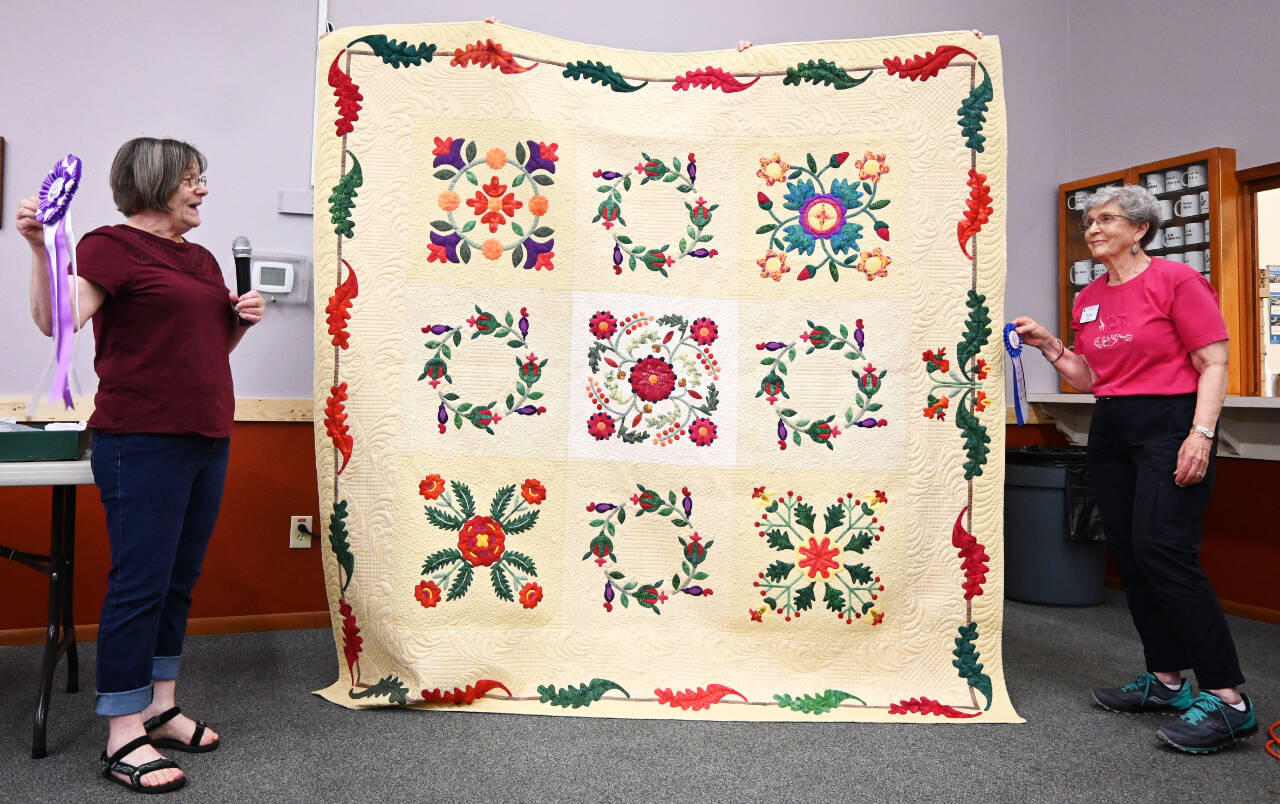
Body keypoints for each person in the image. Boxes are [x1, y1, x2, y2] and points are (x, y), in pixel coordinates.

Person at [16, 137, 265, 792]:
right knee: (140, 581)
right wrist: (42, 250)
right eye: (192, 178)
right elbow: (59, 323)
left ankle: (160, 705)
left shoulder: (204, 260)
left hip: (207, 432)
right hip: (141, 438)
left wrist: (238, 322)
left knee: (179, 578)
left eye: (202, 177)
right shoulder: (108, 246)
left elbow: (206, 348)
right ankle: (122, 736)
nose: (203, 189)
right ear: (156, 183)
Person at [1015, 184, 1258, 754]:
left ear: (1140, 229)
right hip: (1113, 426)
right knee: (1129, 551)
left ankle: (1229, 700)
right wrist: (1049, 344)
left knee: (1165, 551)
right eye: (1089, 222)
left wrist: (1200, 434)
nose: (1092, 229)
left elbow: (1213, 361)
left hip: (1171, 421)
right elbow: (1090, 377)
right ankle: (1168, 680)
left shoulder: (1177, 281)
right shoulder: (1089, 297)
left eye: (1106, 220)